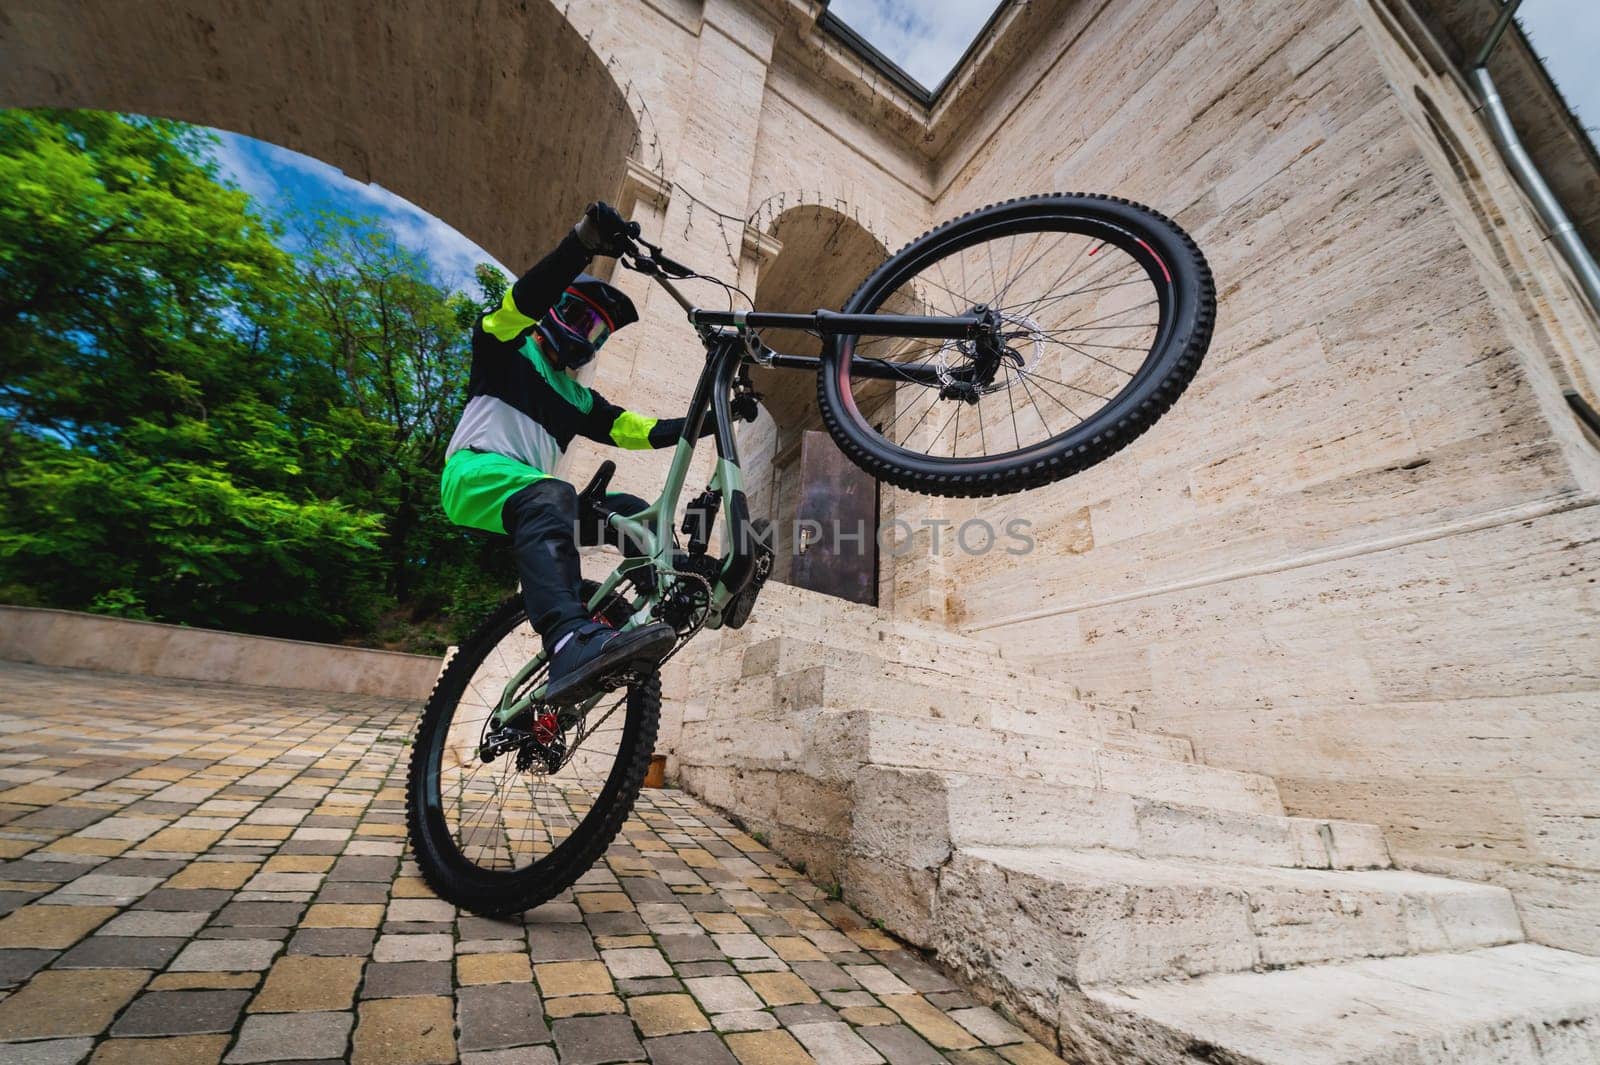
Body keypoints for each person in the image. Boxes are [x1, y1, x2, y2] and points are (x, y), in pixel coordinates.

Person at [440, 201, 685, 707]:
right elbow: (522, 301)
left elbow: (640, 430)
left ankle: (661, 607)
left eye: (597, 332)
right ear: (554, 313)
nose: (585, 335)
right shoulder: (504, 346)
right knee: (551, 492)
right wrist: (581, 245)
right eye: (578, 317)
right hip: (474, 476)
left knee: (634, 513)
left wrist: (715, 412)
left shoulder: (579, 399)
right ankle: (568, 639)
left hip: (536, 502)